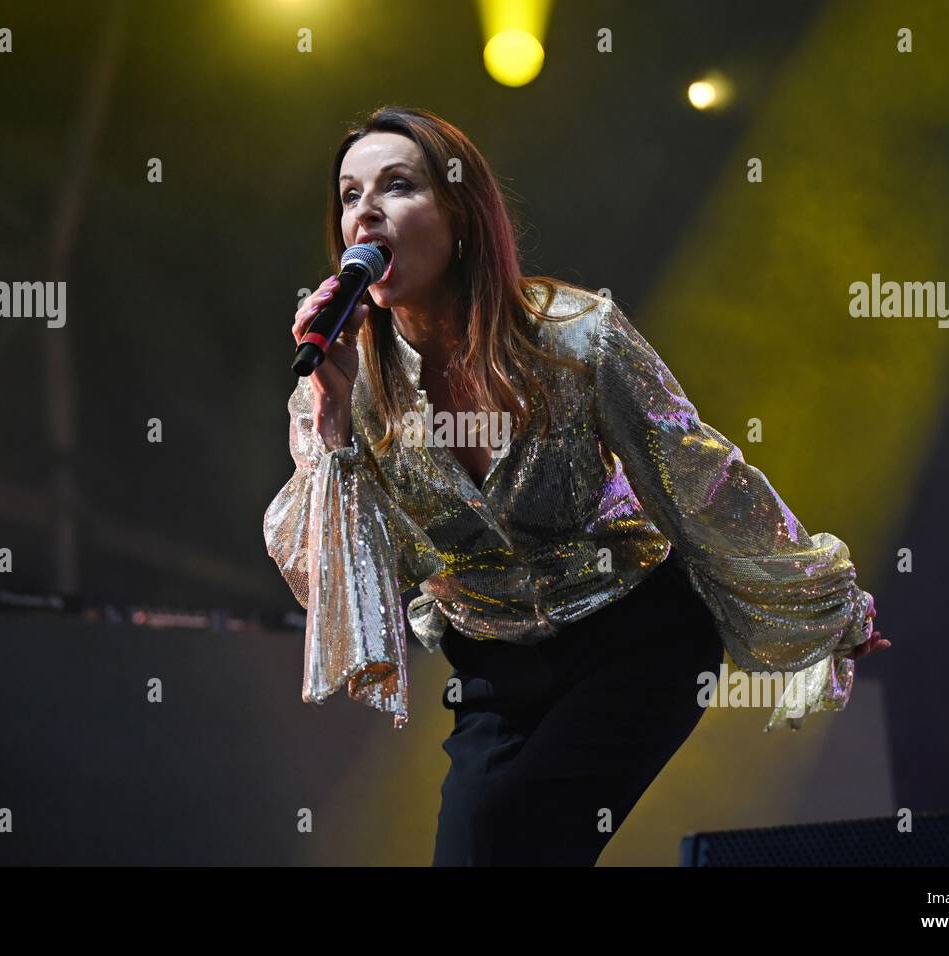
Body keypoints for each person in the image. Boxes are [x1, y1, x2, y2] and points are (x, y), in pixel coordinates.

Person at [263, 106, 890, 866]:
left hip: (635, 639)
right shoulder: (344, 384)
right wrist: (333, 432)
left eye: (396, 186)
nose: (364, 209)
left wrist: (821, 598)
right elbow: (339, 580)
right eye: (349, 192)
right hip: (494, 668)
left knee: (514, 832)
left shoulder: (574, 336)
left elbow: (696, 474)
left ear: (461, 218)